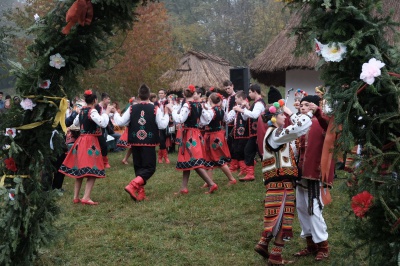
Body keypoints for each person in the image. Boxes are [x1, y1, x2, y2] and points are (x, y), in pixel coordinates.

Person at [253, 99, 314, 265]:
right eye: (281, 115)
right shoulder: (275, 134)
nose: (284, 117)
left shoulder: (274, 134)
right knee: (283, 217)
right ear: (274, 117)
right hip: (281, 181)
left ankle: (264, 243)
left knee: (276, 215)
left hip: (277, 181)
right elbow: (301, 126)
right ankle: (276, 256)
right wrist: (294, 113)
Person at [294, 95, 334, 262]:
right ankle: (311, 244)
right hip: (300, 172)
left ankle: (323, 246)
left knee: (314, 209)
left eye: (307, 105)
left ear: (316, 106)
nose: (303, 107)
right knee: (302, 207)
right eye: (301, 105)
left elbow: (331, 128)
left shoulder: (322, 122)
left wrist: (318, 112)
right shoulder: (301, 123)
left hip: (315, 173)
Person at [113, 84, 170, 201]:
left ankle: (140, 194)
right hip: (148, 143)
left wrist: (114, 112)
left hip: (135, 142)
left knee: (139, 168)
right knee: (150, 168)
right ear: (149, 95)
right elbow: (162, 125)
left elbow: (121, 122)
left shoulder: (132, 108)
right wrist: (167, 114)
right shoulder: (155, 108)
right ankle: (133, 185)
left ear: (138, 96)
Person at [59, 90, 113, 205]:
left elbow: (76, 123)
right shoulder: (92, 111)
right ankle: (86, 197)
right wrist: (106, 113)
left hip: (81, 140)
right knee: (93, 169)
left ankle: (76, 197)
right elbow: (102, 123)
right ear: (95, 101)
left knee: (80, 169)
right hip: (90, 142)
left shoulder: (82, 111)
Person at [168, 84, 218, 195]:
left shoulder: (187, 105)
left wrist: (172, 110)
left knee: (194, 161)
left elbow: (180, 119)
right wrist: (198, 123)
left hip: (190, 134)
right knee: (187, 160)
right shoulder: (199, 105)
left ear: (184, 94)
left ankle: (211, 184)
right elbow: (207, 119)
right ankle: (184, 188)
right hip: (196, 133)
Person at [233, 84, 266, 182]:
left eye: (250, 92)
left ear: (255, 92)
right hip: (254, 133)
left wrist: (242, 110)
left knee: (260, 153)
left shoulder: (259, 103)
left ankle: (266, 173)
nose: (249, 94)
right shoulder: (255, 103)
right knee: (249, 151)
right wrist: (246, 108)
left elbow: (255, 115)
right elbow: (246, 117)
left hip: (258, 132)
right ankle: (250, 174)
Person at [202, 93, 236, 187]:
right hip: (217, 135)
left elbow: (205, 121)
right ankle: (208, 181)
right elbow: (227, 119)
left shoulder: (211, 111)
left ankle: (231, 179)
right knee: (209, 158)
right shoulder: (221, 110)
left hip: (213, 136)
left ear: (210, 100)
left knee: (218, 158)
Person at [224, 90, 249, 180]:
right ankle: (241, 168)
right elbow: (227, 119)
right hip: (237, 132)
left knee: (240, 150)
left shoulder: (245, 107)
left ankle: (244, 169)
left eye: (236, 98)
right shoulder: (237, 107)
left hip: (243, 133)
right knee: (236, 149)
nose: (235, 100)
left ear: (241, 98)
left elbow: (246, 117)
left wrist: (242, 109)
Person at [222, 80, 237, 172]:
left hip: (234, 122)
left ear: (232, 86)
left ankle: (234, 163)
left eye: (229, 88)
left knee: (234, 143)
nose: (227, 90)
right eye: (226, 89)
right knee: (230, 142)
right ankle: (232, 161)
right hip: (229, 122)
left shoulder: (236, 97)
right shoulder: (228, 98)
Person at [96, 92, 112, 168]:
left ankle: (104, 161)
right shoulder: (97, 107)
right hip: (96, 129)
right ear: (104, 99)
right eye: (108, 99)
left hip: (103, 128)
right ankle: (103, 162)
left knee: (103, 145)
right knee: (102, 145)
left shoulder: (105, 107)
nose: (109, 101)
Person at [157, 88, 170, 164]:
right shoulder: (156, 102)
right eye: (159, 93)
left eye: (162, 93)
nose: (160, 94)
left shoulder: (168, 102)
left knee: (165, 138)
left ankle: (162, 156)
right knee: (161, 139)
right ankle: (163, 157)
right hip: (159, 121)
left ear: (165, 94)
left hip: (166, 120)